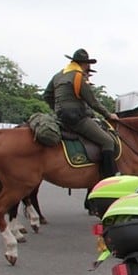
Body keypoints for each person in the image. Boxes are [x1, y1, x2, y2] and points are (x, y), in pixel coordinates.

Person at [42, 48, 120, 179]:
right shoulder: (78, 76)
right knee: (107, 141)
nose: (88, 67)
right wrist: (108, 115)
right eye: (88, 64)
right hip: (76, 119)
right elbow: (93, 102)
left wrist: (56, 109)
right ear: (84, 64)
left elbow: (47, 95)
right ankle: (108, 179)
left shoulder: (58, 75)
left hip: (60, 117)